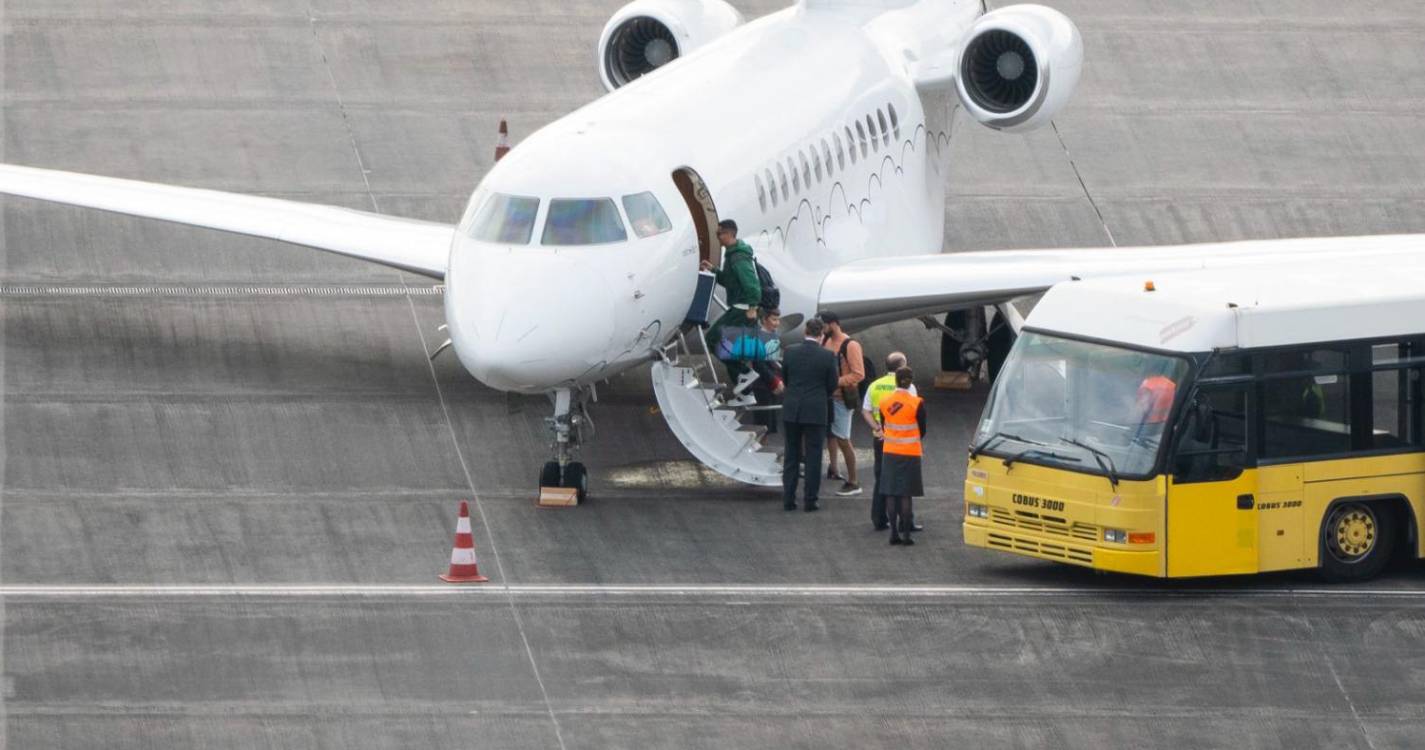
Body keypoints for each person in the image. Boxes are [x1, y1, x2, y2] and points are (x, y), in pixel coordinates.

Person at [779, 318, 840, 512]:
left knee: (791, 455)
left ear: (805, 331)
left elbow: (786, 378)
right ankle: (810, 499)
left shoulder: (790, 352)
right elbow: (832, 384)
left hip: (792, 408)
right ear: (821, 335)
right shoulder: (828, 356)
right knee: (814, 456)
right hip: (815, 410)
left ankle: (789, 498)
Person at [861, 352, 922, 532]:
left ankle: (879, 519)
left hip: (881, 439)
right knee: (905, 482)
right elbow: (915, 413)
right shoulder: (909, 388)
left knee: (881, 478)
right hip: (903, 441)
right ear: (901, 367)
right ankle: (906, 522)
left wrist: (877, 428)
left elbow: (865, 411)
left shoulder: (874, 386)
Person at [700, 220, 760, 389]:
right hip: (739, 307)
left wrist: (752, 307)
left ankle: (746, 373)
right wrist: (713, 270)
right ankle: (745, 392)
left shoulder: (738, 257)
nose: (717, 238)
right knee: (727, 346)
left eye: (719, 234)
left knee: (712, 340)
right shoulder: (732, 254)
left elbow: (752, 284)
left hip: (742, 309)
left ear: (729, 234)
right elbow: (730, 281)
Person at [879, 367, 927, 545]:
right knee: (906, 494)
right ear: (910, 381)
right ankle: (906, 535)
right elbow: (922, 429)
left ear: (896, 381)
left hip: (890, 452)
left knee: (891, 493)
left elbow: (884, 424)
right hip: (910, 452)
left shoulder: (885, 403)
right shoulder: (916, 403)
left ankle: (893, 533)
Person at [819, 310, 865, 496]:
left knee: (843, 439)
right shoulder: (825, 341)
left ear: (832, 324)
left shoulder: (850, 345)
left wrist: (835, 382)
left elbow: (858, 374)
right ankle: (834, 468)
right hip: (828, 397)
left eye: (823, 325)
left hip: (841, 399)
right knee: (831, 434)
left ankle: (853, 481)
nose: (821, 330)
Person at [749, 308, 785, 441]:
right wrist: (775, 381)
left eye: (778, 320)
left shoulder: (773, 336)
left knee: (769, 424)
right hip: (762, 385)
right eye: (774, 320)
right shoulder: (757, 337)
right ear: (764, 320)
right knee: (763, 423)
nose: (777, 323)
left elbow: (774, 362)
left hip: (770, 383)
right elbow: (759, 364)